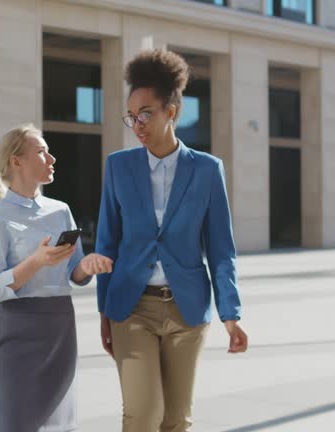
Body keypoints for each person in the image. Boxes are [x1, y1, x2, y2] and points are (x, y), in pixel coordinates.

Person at [95, 49, 248, 432]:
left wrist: (231, 315)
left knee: (176, 420)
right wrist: (104, 311)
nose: (137, 124)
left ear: (172, 111)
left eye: (146, 113)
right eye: (131, 115)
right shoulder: (118, 166)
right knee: (143, 415)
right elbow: (106, 242)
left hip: (187, 310)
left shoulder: (208, 170)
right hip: (131, 308)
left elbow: (221, 249)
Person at [0, 124, 113, 432]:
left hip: (60, 329)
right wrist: (35, 262)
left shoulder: (60, 210)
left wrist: (87, 265)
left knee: (59, 425)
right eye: (41, 152)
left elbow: (74, 273)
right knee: (14, 422)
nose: (51, 158)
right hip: (17, 332)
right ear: (16, 161)